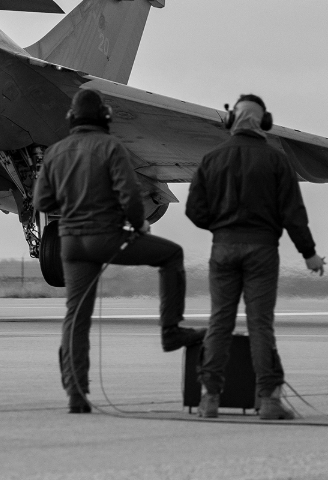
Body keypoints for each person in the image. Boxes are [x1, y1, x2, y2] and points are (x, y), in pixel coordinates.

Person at [34, 88, 205, 414]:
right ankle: (171, 332)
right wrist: (138, 224)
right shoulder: (111, 147)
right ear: (105, 119)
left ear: (71, 119)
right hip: (106, 237)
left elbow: (42, 202)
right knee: (171, 256)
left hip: (70, 243)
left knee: (76, 316)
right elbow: (129, 196)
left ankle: (76, 395)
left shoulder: (55, 153)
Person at [185, 94, 327, 420]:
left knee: (219, 323)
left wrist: (220, 228)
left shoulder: (211, 159)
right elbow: (294, 214)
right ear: (264, 122)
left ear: (232, 120)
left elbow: (195, 211)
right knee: (260, 325)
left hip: (222, 249)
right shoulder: (276, 161)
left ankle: (209, 399)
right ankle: (269, 401)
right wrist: (309, 254)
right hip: (262, 251)